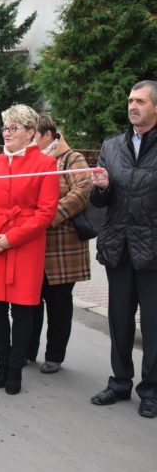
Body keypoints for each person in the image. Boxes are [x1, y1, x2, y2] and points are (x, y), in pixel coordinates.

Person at [0, 104, 59, 395]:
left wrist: (11, 238)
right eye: (5, 127)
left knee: (23, 310)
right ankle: (2, 362)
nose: (7, 133)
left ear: (31, 132)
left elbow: (45, 213)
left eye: (13, 128)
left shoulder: (46, 165)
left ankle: (16, 369)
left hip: (25, 245)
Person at [90, 80, 157, 418]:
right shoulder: (112, 146)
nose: (133, 106)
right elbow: (100, 200)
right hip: (119, 246)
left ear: (155, 108)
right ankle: (119, 382)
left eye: (141, 101)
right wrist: (100, 187)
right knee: (119, 319)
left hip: (153, 249)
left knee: (154, 324)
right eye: (130, 100)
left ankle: (151, 390)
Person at [27, 114, 91, 374]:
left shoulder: (71, 158)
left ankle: (54, 355)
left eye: (34, 136)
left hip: (63, 248)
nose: (30, 141)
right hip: (33, 245)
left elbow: (84, 189)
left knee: (59, 304)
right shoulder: (31, 161)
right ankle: (28, 351)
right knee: (30, 302)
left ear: (47, 136)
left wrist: (50, 216)